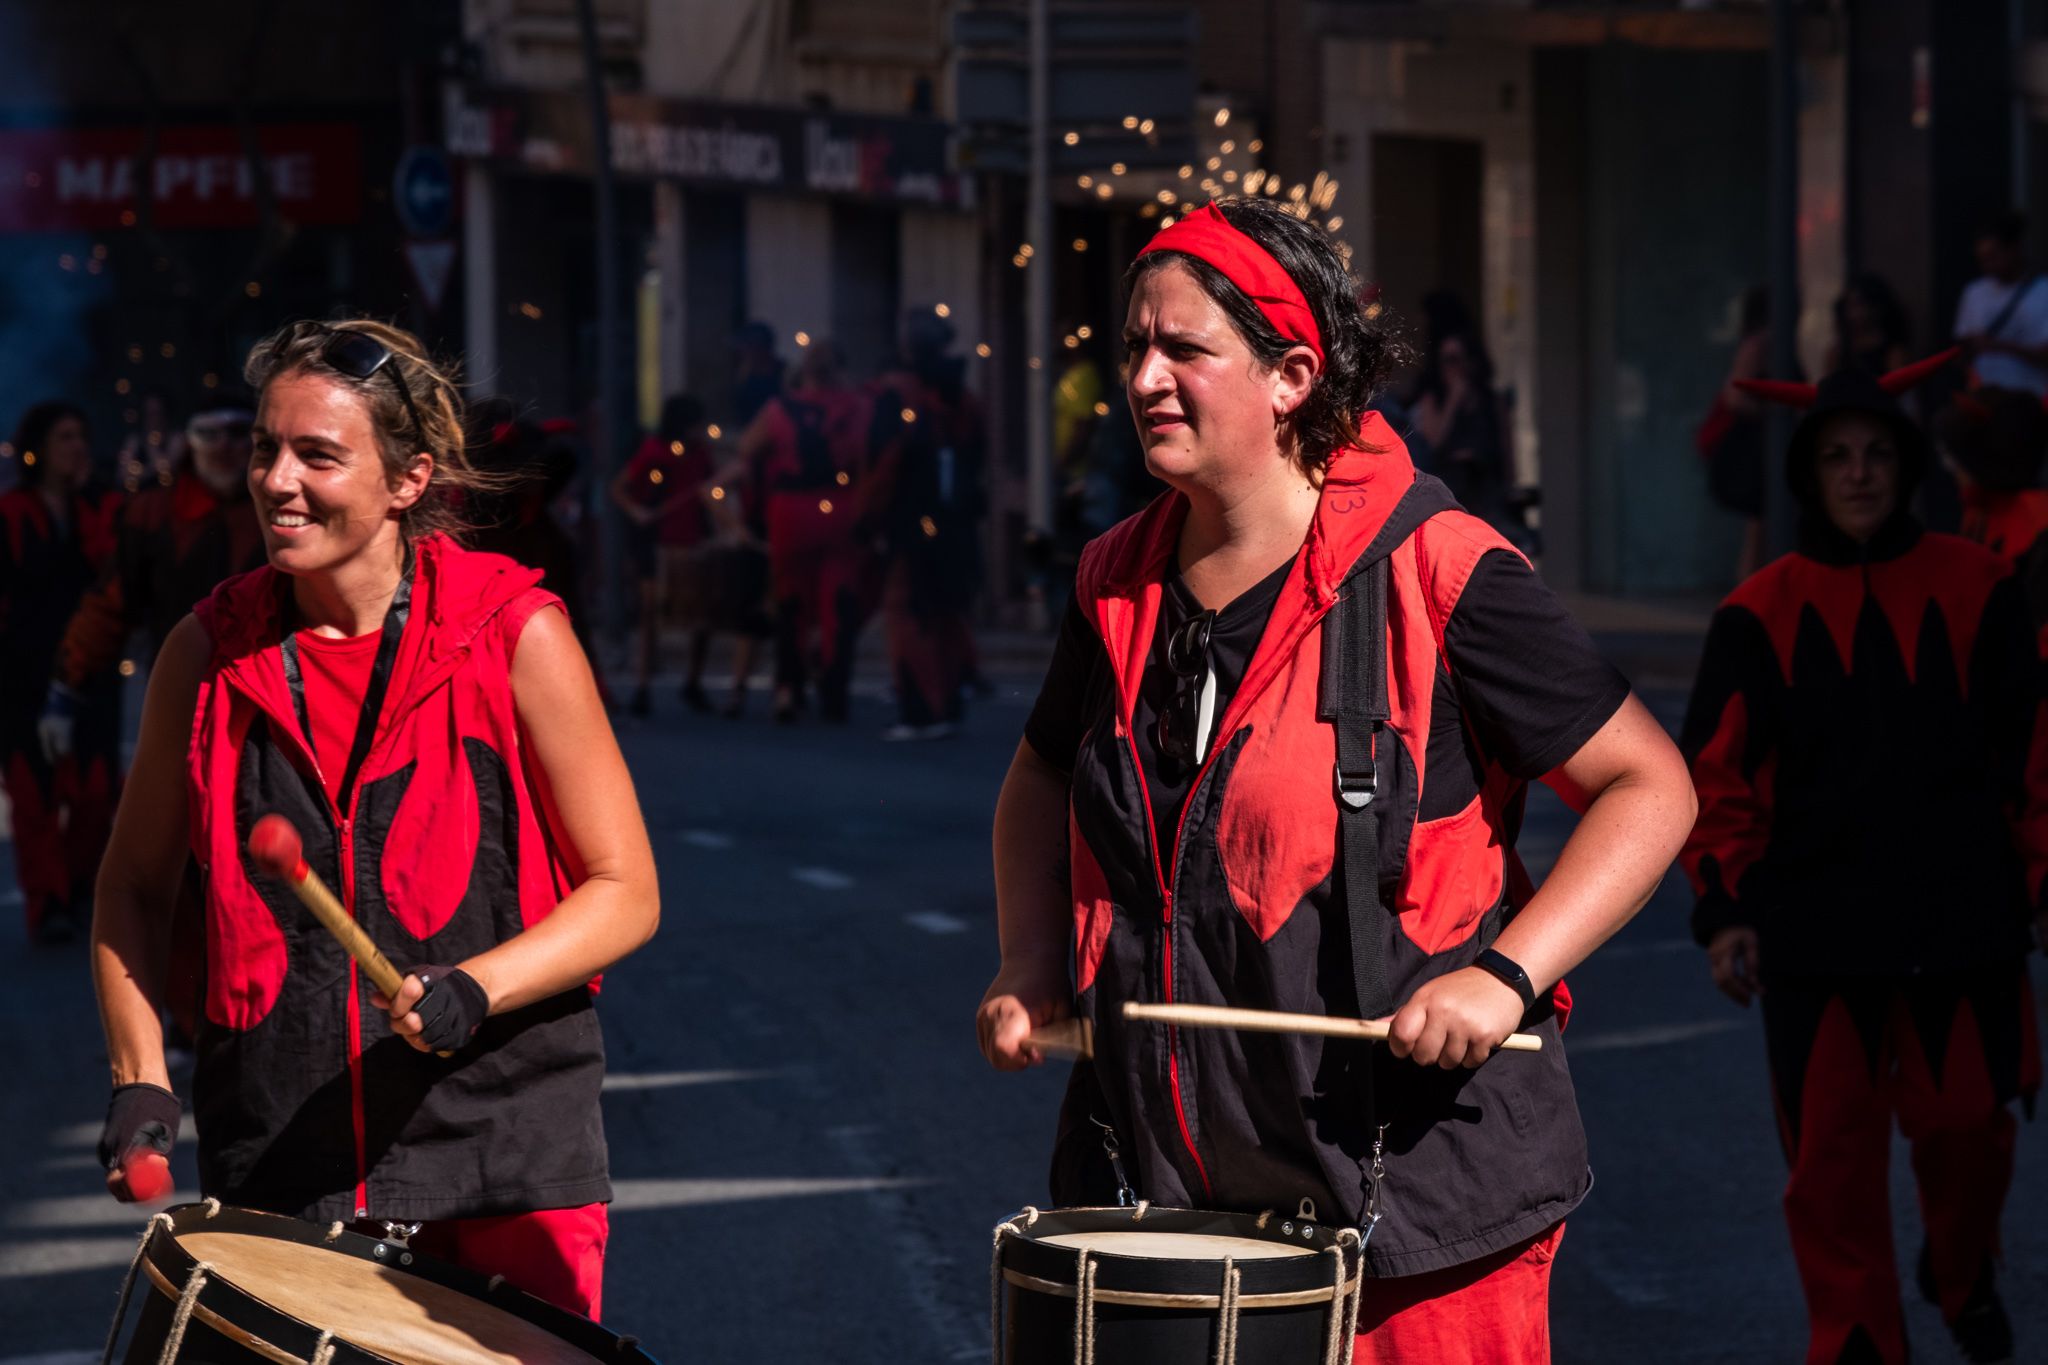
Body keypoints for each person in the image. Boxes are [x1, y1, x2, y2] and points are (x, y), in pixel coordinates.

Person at [976, 199, 1697, 1361]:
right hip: (1168, 1193)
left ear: (1290, 376)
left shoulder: (1440, 566)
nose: (1144, 378)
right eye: (1131, 349)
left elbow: (1647, 785)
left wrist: (1504, 980)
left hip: (1416, 1214)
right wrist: (1026, 962)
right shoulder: (1113, 580)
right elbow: (1038, 781)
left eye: (1184, 350)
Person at [89, 319, 660, 1320]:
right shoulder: (206, 654)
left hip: (505, 1156)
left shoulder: (513, 634)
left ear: (408, 480)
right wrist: (140, 1079)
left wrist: (477, 987)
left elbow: (626, 891)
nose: (275, 480)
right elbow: (133, 887)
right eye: (268, 449)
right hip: (282, 1157)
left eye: (317, 455)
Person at [1681, 357, 2044, 1365]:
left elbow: (2033, 749)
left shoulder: (1982, 587)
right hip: (1815, 930)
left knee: (1968, 1130)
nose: (1856, 474)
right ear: (1808, 473)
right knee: (1828, 1168)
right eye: (1835, 457)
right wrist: (1726, 911)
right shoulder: (1754, 611)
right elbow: (1717, 781)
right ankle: (1852, 1344)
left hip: (1965, 921)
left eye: (1875, 455)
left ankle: (1961, 1273)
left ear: (1905, 466)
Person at [1, 400, 124, 944]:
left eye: (80, 436)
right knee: (34, 796)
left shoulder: (102, 505)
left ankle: (78, 891)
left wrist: (88, 498)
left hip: (90, 674)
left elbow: (114, 571)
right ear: (41, 449)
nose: (75, 446)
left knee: (96, 790)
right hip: (21, 674)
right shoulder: (11, 511)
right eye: (64, 438)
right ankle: (47, 903)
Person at [729, 341, 875, 723]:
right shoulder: (858, 408)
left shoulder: (780, 410)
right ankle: (834, 687)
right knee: (837, 603)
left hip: (790, 511)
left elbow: (747, 448)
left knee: (791, 603)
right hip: (839, 509)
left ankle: (788, 688)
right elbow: (867, 461)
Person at [872, 313, 986, 741]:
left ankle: (920, 710)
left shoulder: (901, 395)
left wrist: (869, 520)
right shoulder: (963, 396)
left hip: (910, 521)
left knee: (907, 615)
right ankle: (948, 704)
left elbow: (884, 466)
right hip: (956, 522)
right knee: (945, 614)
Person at [610, 394, 731, 716]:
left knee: (702, 612)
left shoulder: (700, 453)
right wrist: (638, 512)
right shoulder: (654, 451)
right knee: (650, 611)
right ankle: (642, 684)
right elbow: (620, 488)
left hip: (693, 538)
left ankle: (693, 680)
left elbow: (709, 490)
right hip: (656, 539)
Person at [1699, 286, 1774, 580]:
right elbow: (1735, 396)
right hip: (1752, 449)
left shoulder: (1766, 343)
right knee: (1759, 525)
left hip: (1759, 448)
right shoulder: (1758, 345)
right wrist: (1774, 413)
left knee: (1761, 527)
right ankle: (1750, 591)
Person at [1412, 328, 1510, 530]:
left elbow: (1506, 447)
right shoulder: (1433, 399)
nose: (1455, 367)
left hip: (1486, 489)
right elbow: (1432, 441)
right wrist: (1453, 402)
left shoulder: (1491, 400)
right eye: (1448, 360)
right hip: (1449, 487)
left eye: (1459, 358)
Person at [1955, 211, 2048, 398]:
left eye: (1993, 257)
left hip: (2031, 400)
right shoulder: (1974, 292)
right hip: (1985, 400)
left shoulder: (2043, 291)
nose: (1987, 266)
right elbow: (1961, 350)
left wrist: (1998, 345)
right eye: (1982, 259)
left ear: (2014, 249)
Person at [1828, 272, 1912, 380]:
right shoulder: (1837, 353)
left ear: (1876, 307)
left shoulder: (1894, 354)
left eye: (1860, 304)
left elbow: (1903, 392)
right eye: (1849, 305)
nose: (1853, 314)